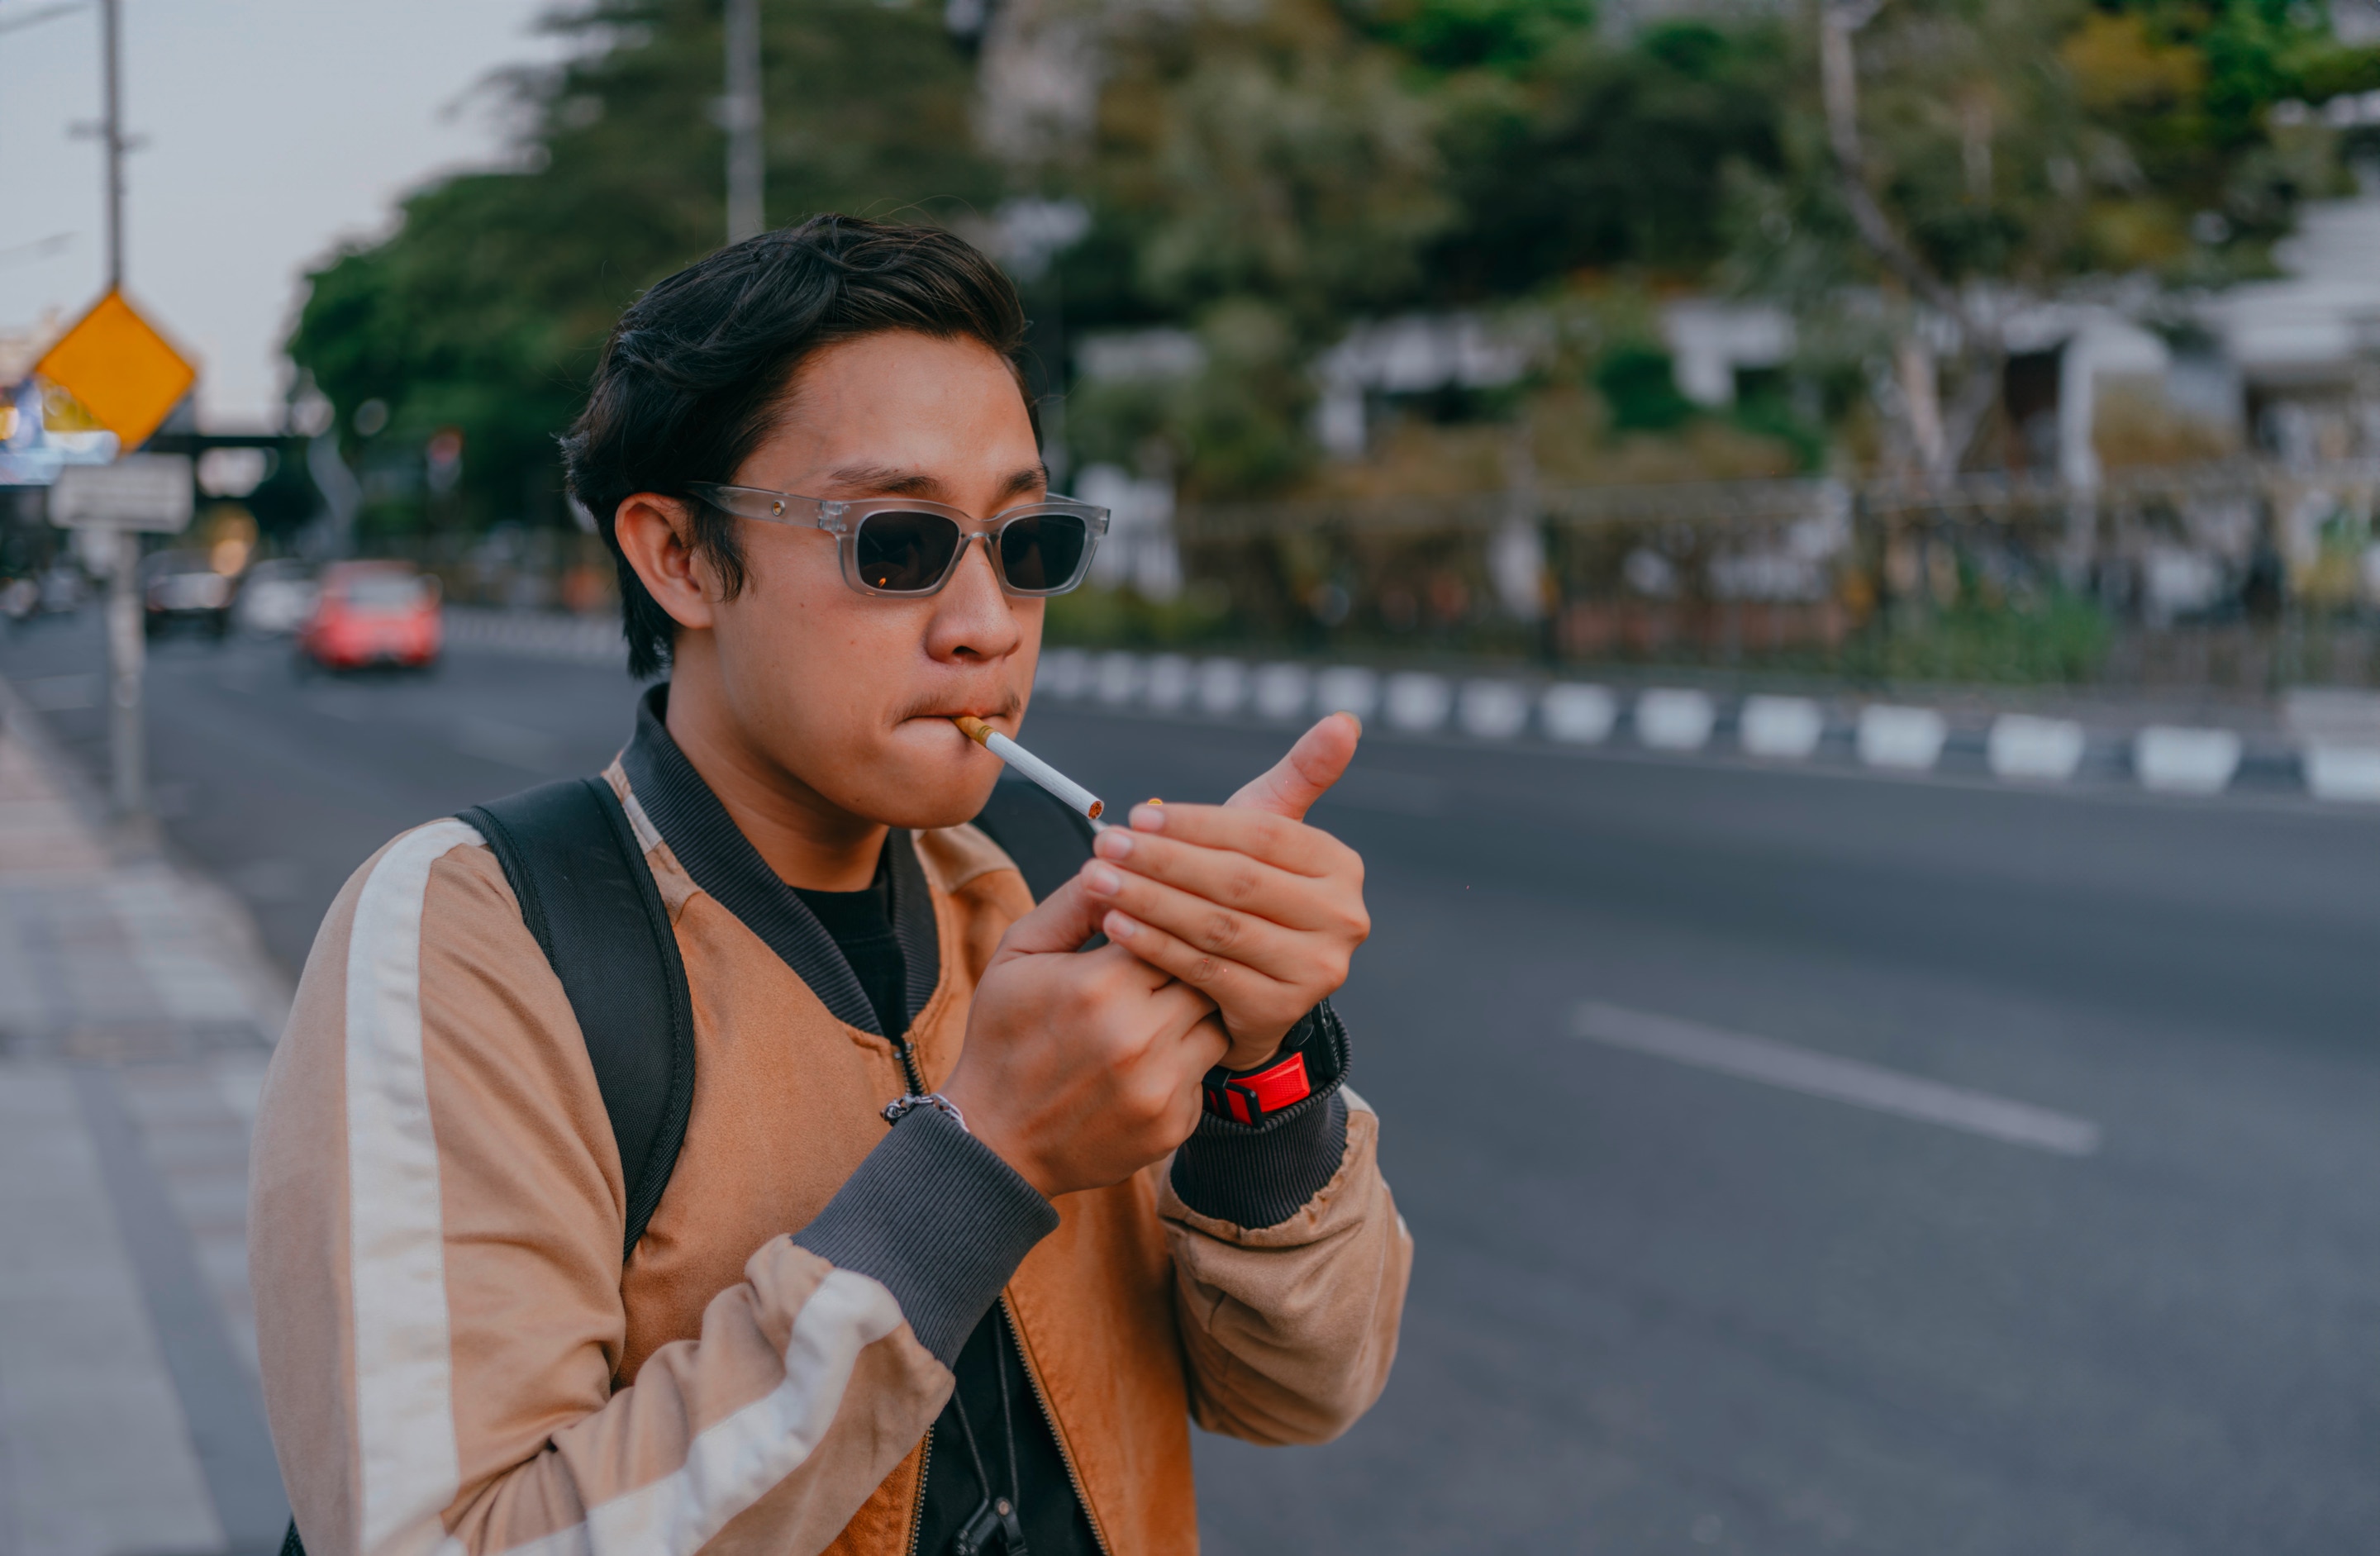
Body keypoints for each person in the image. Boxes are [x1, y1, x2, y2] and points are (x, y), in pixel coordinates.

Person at [248, 215, 1411, 1556]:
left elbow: (1296, 1392)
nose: (986, 621)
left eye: (1026, 541)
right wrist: (979, 1173)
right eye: (899, 543)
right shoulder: (480, 938)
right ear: (680, 556)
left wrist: (1266, 1075)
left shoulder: (1020, 922)